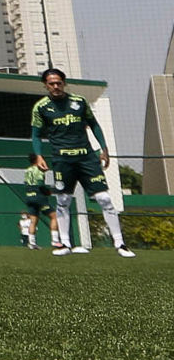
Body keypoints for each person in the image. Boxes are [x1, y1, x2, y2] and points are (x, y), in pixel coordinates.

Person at [32, 68, 135, 257]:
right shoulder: (41, 107)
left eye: (59, 83)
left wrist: (104, 148)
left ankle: (120, 244)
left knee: (104, 199)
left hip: (86, 158)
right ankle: (64, 244)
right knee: (63, 200)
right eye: (51, 83)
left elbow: (94, 124)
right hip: (62, 160)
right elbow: (36, 134)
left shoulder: (79, 102)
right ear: (45, 85)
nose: (56, 86)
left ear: (64, 83)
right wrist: (39, 155)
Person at [21, 152, 61, 251]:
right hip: (38, 196)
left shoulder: (27, 170)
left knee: (33, 221)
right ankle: (55, 241)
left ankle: (32, 243)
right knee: (54, 216)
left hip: (29, 196)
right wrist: (48, 192)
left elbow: (26, 183)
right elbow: (40, 185)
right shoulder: (38, 170)